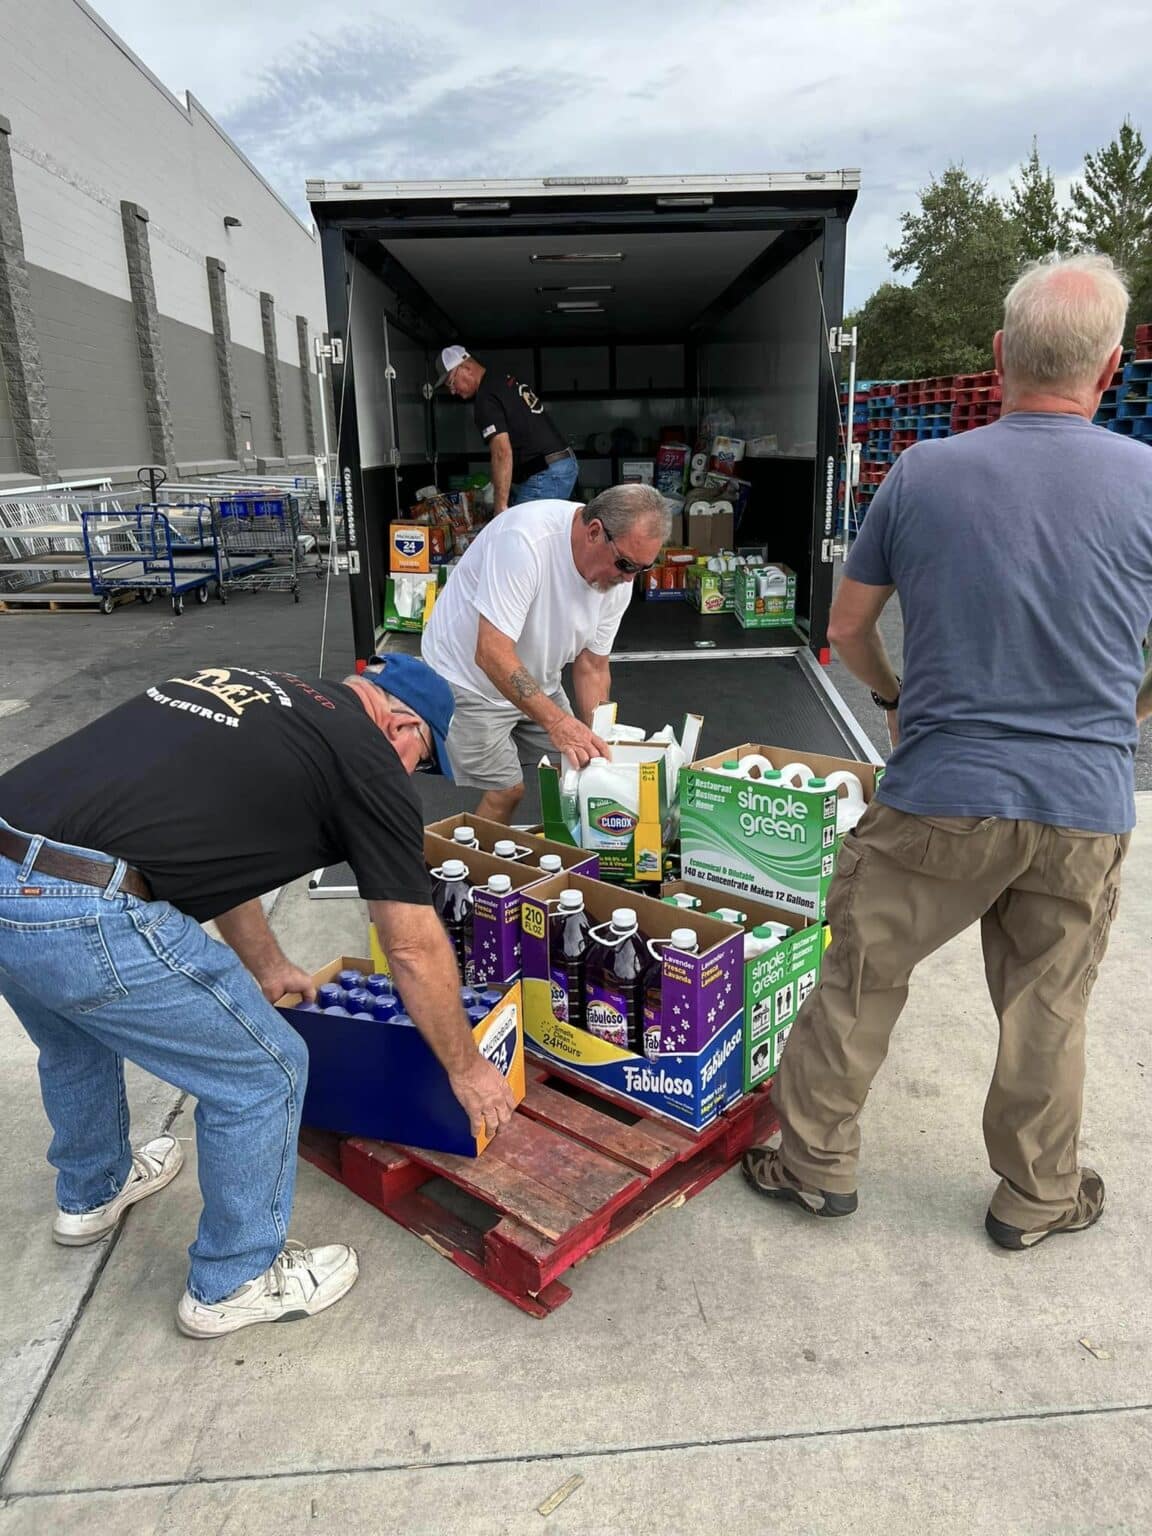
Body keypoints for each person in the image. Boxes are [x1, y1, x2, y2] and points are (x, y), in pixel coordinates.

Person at [743, 253, 1152, 1251]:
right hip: (1084, 802)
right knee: (1046, 1006)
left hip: (939, 791)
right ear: (1108, 371)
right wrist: (1125, 715)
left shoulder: (925, 474)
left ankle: (816, 1165)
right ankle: (1035, 1197)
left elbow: (844, 629)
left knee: (861, 977)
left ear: (1002, 354)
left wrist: (892, 696)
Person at [0, 655, 515, 1337]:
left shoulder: (249, 689)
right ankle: (233, 1280)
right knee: (263, 1072)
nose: (410, 776)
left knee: (73, 1038)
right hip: (82, 905)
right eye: (422, 760)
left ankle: (91, 1193)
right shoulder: (365, 755)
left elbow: (215, 848)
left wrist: (268, 965)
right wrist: (468, 1066)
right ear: (400, 725)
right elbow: (413, 947)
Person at [421, 484, 670, 823]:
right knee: (507, 789)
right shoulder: (525, 541)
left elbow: (593, 666)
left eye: (640, 569)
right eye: (625, 564)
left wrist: (602, 739)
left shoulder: (618, 579)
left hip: (537, 675)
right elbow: (491, 652)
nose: (628, 580)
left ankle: (576, 866)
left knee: (582, 770)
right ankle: (470, 871)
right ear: (595, 531)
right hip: (470, 677)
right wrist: (556, 722)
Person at [437, 345, 578, 512]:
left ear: (466, 368)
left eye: (452, 382)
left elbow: (501, 452)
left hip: (546, 473)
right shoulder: (501, 379)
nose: (452, 391)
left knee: (517, 532)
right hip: (559, 464)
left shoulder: (485, 399)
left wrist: (500, 506)